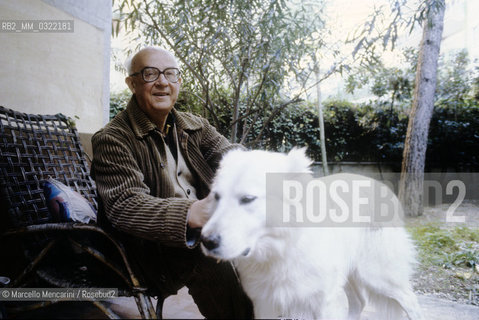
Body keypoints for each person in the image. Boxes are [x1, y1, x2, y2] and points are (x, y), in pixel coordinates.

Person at [91, 47, 253, 318]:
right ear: (132, 83)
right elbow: (125, 205)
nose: (162, 82)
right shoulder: (112, 139)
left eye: (170, 74)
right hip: (141, 253)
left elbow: (231, 157)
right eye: (150, 74)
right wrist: (192, 213)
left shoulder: (195, 126)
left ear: (178, 82)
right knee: (208, 250)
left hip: (190, 236)